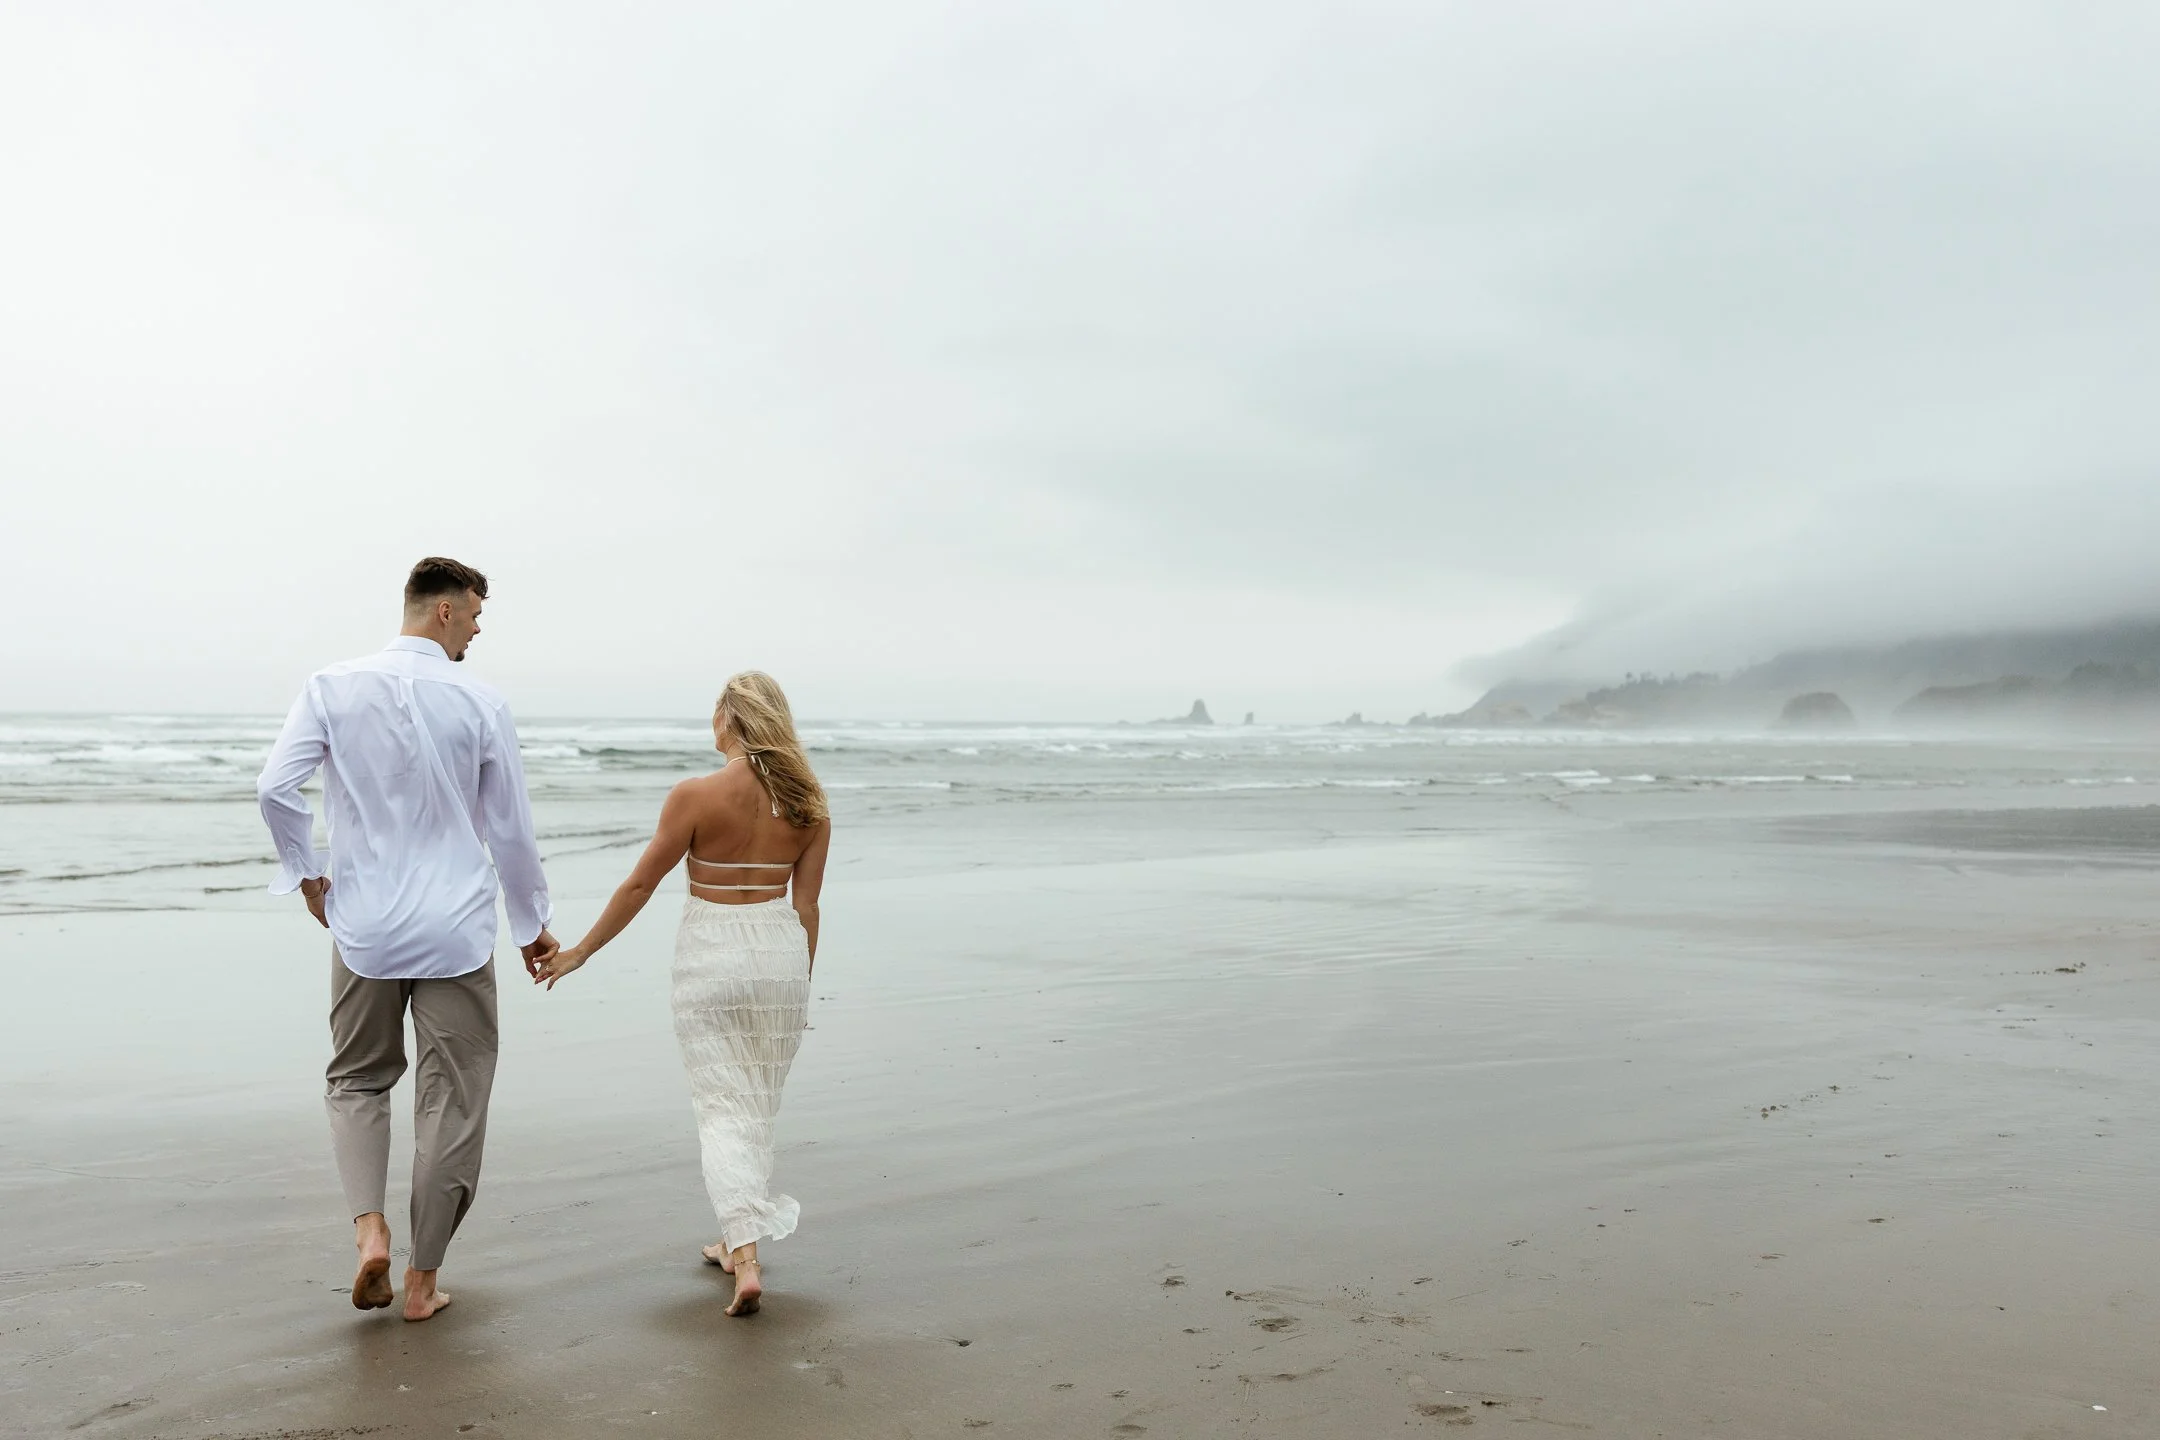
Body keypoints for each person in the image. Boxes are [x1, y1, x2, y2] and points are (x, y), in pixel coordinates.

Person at [257, 557, 557, 1322]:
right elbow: (510, 829)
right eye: (476, 616)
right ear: (445, 611)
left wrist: (307, 875)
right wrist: (530, 925)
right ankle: (422, 1283)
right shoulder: (482, 702)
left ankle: (370, 1232)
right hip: (455, 927)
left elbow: (274, 788)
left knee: (358, 1079)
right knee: (453, 1096)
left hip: (364, 923)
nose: (477, 632)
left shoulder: (330, 686)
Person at [533, 671, 829, 1317]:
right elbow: (806, 906)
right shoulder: (808, 802)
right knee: (755, 1104)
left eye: (714, 712)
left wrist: (581, 951)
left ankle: (744, 1255)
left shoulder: (694, 795)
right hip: (780, 960)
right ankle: (735, 1235)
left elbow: (640, 886)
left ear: (730, 718)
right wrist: (800, 985)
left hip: (713, 957)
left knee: (722, 1108)